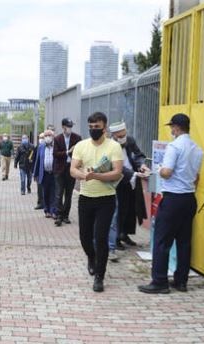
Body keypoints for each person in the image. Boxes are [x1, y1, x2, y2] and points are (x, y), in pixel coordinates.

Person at [138, 113, 203, 294]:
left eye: (172, 127)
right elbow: (197, 177)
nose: (171, 131)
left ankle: (159, 281)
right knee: (184, 242)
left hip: (173, 198)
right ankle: (181, 281)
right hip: (189, 198)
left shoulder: (174, 147)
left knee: (162, 241)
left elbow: (166, 172)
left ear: (176, 128)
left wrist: (158, 169)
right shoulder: (197, 149)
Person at [70, 112, 123, 292]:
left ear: (104, 128)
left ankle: (100, 276)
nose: (94, 130)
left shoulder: (114, 146)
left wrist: (97, 175)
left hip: (106, 199)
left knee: (101, 238)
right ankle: (91, 257)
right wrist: (83, 175)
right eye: (91, 127)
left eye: (97, 127)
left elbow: (117, 172)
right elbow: (73, 169)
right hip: (85, 198)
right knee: (85, 237)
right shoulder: (81, 146)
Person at [109, 121, 150, 248]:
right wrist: (133, 174)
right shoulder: (109, 146)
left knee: (130, 209)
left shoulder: (130, 141)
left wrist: (142, 165)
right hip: (118, 180)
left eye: (124, 135)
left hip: (132, 180)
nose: (123, 138)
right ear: (113, 135)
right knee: (119, 210)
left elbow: (138, 155)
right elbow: (115, 166)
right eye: (119, 136)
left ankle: (124, 234)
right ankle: (115, 238)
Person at [53, 118, 82, 227]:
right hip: (60, 169)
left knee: (69, 193)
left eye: (71, 126)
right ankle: (59, 215)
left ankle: (66, 215)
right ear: (63, 127)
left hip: (71, 168)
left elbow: (81, 152)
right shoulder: (57, 139)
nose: (70, 128)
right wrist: (67, 152)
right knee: (59, 193)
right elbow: (55, 154)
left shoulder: (77, 138)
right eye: (68, 126)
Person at [33, 130, 57, 219]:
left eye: (49, 135)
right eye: (46, 135)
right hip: (44, 174)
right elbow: (38, 161)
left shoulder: (56, 146)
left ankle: (53, 211)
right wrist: (35, 174)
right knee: (45, 193)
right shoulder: (41, 147)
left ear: (53, 136)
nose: (47, 137)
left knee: (54, 193)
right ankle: (47, 210)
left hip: (54, 174)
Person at [34, 133, 45, 210]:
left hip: (47, 171)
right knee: (39, 188)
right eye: (39, 137)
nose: (40, 139)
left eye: (42, 137)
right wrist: (35, 172)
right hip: (39, 171)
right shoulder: (37, 147)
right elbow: (35, 159)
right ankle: (40, 203)